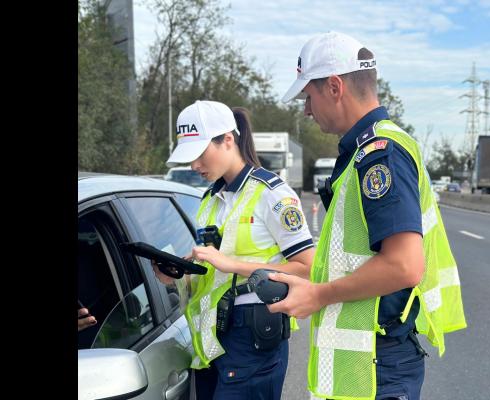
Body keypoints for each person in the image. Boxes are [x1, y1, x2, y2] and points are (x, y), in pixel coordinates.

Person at [267, 31, 468, 400]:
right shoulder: (365, 151)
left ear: (333, 86)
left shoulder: (380, 153)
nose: (307, 110)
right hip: (369, 364)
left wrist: (319, 295)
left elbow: (404, 266)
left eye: (307, 98)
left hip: (379, 366)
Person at [155, 101, 315, 399]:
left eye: (200, 154)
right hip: (213, 338)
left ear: (228, 139)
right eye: (189, 158)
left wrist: (233, 264)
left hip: (253, 334)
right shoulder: (210, 199)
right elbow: (214, 274)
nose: (194, 166)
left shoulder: (272, 194)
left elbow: (308, 268)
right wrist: (178, 275)